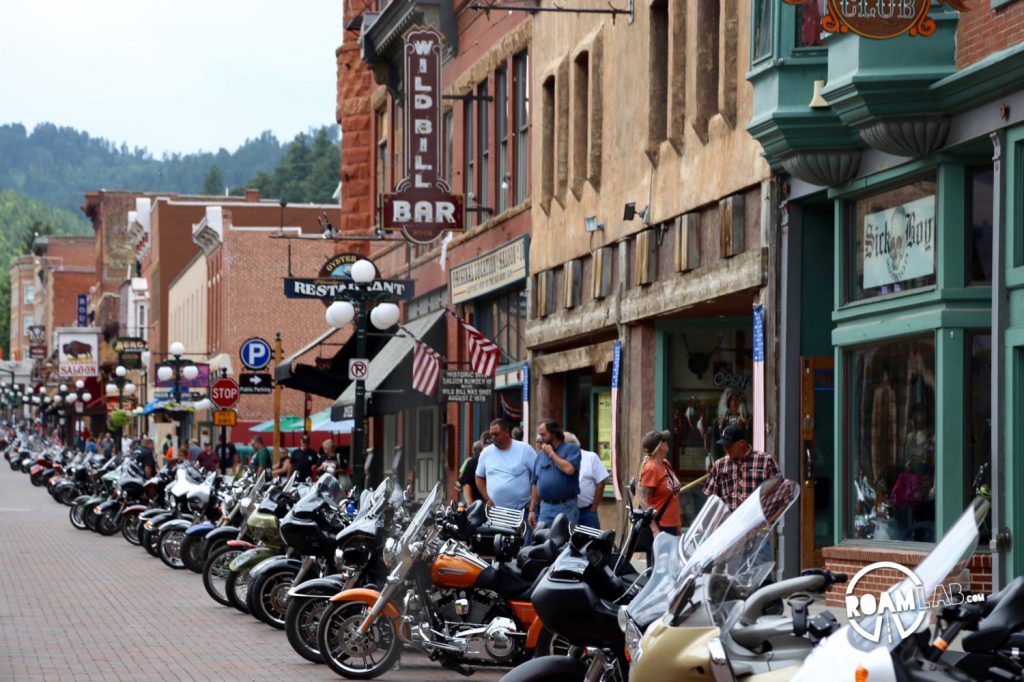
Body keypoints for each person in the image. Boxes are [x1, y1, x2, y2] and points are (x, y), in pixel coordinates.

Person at [703, 424, 781, 511]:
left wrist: (768, 513)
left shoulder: (765, 461)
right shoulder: (719, 466)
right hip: (730, 522)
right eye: (724, 446)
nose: (726, 449)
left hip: (758, 520)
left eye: (729, 446)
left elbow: (779, 491)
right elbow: (710, 500)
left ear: (742, 443)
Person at [475, 418, 537, 512]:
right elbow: (479, 476)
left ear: (506, 431)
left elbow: (538, 475)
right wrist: (487, 498)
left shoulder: (525, 449)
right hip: (495, 511)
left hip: (522, 511)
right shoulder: (486, 453)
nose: (493, 437)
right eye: (491, 434)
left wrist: (533, 503)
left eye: (496, 434)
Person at [529, 420, 582, 527]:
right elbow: (535, 484)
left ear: (553, 433)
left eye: (543, 434)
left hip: (566, 506)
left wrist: (551, 454)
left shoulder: (571, 449)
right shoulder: (540, 455)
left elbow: (569, 469)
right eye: (539, 435)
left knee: (564, 541)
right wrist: (531, 510)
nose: (540, 438)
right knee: (541, 539)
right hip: (545, 508)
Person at [638, 430, 682, 546]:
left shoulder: (666, 464)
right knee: (659, 563)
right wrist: (655, 530)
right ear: (659, 446)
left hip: (672, 526)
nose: (667, 442)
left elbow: (673, 496)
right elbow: (643, 501)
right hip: (661, 527)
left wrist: (678, 526)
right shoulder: (651, 469)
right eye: (664, 440)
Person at [566, 432, 609, 529]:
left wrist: (594, 507)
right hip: (568, 511)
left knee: (592, 541)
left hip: (587, 511)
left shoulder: (590, 457)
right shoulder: (561, 460)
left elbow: (601, 482)